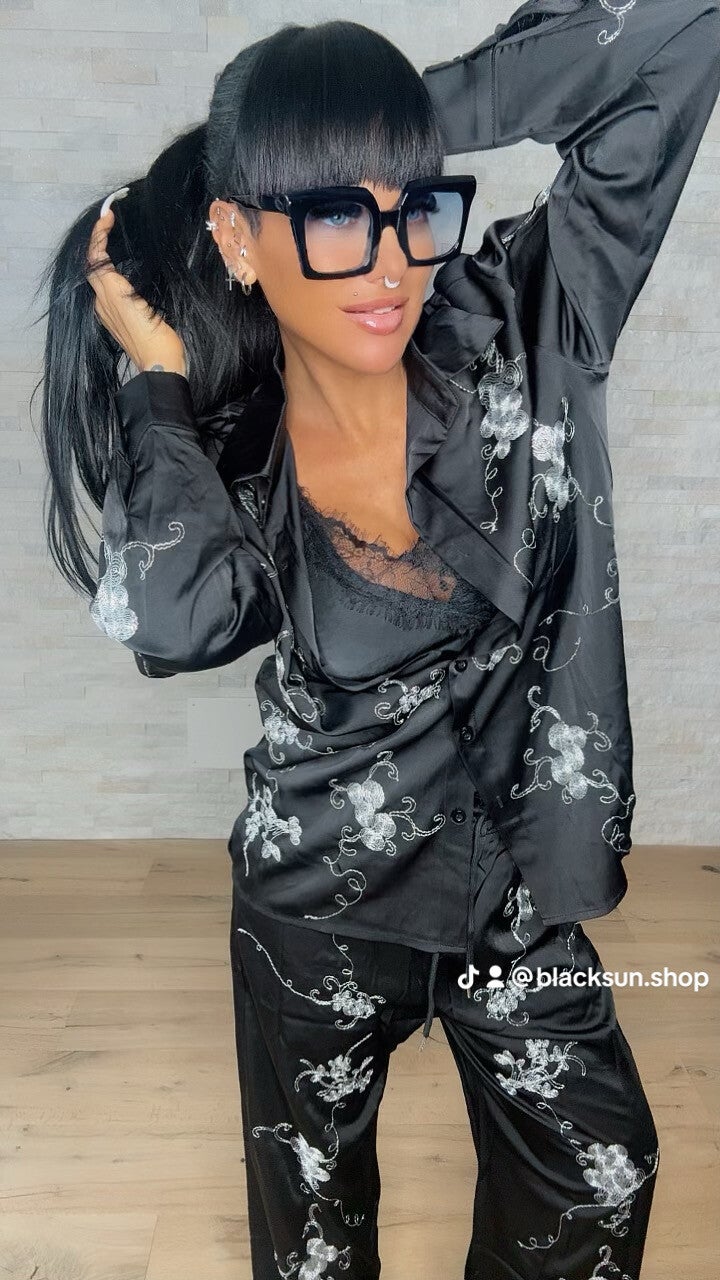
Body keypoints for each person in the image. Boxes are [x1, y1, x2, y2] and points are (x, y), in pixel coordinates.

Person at [37, 4, 719, 1277]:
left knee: (599, 1171)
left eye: (415, 208)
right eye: (337, 218)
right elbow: (170, 622)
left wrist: (384, 131)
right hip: (317, 902)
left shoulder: (533, 316)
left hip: (508, 890)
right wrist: (156, 387)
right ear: (238, 236)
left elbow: (679, 30)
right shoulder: (233, 454)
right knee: (314, 1241)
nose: (394, 260)